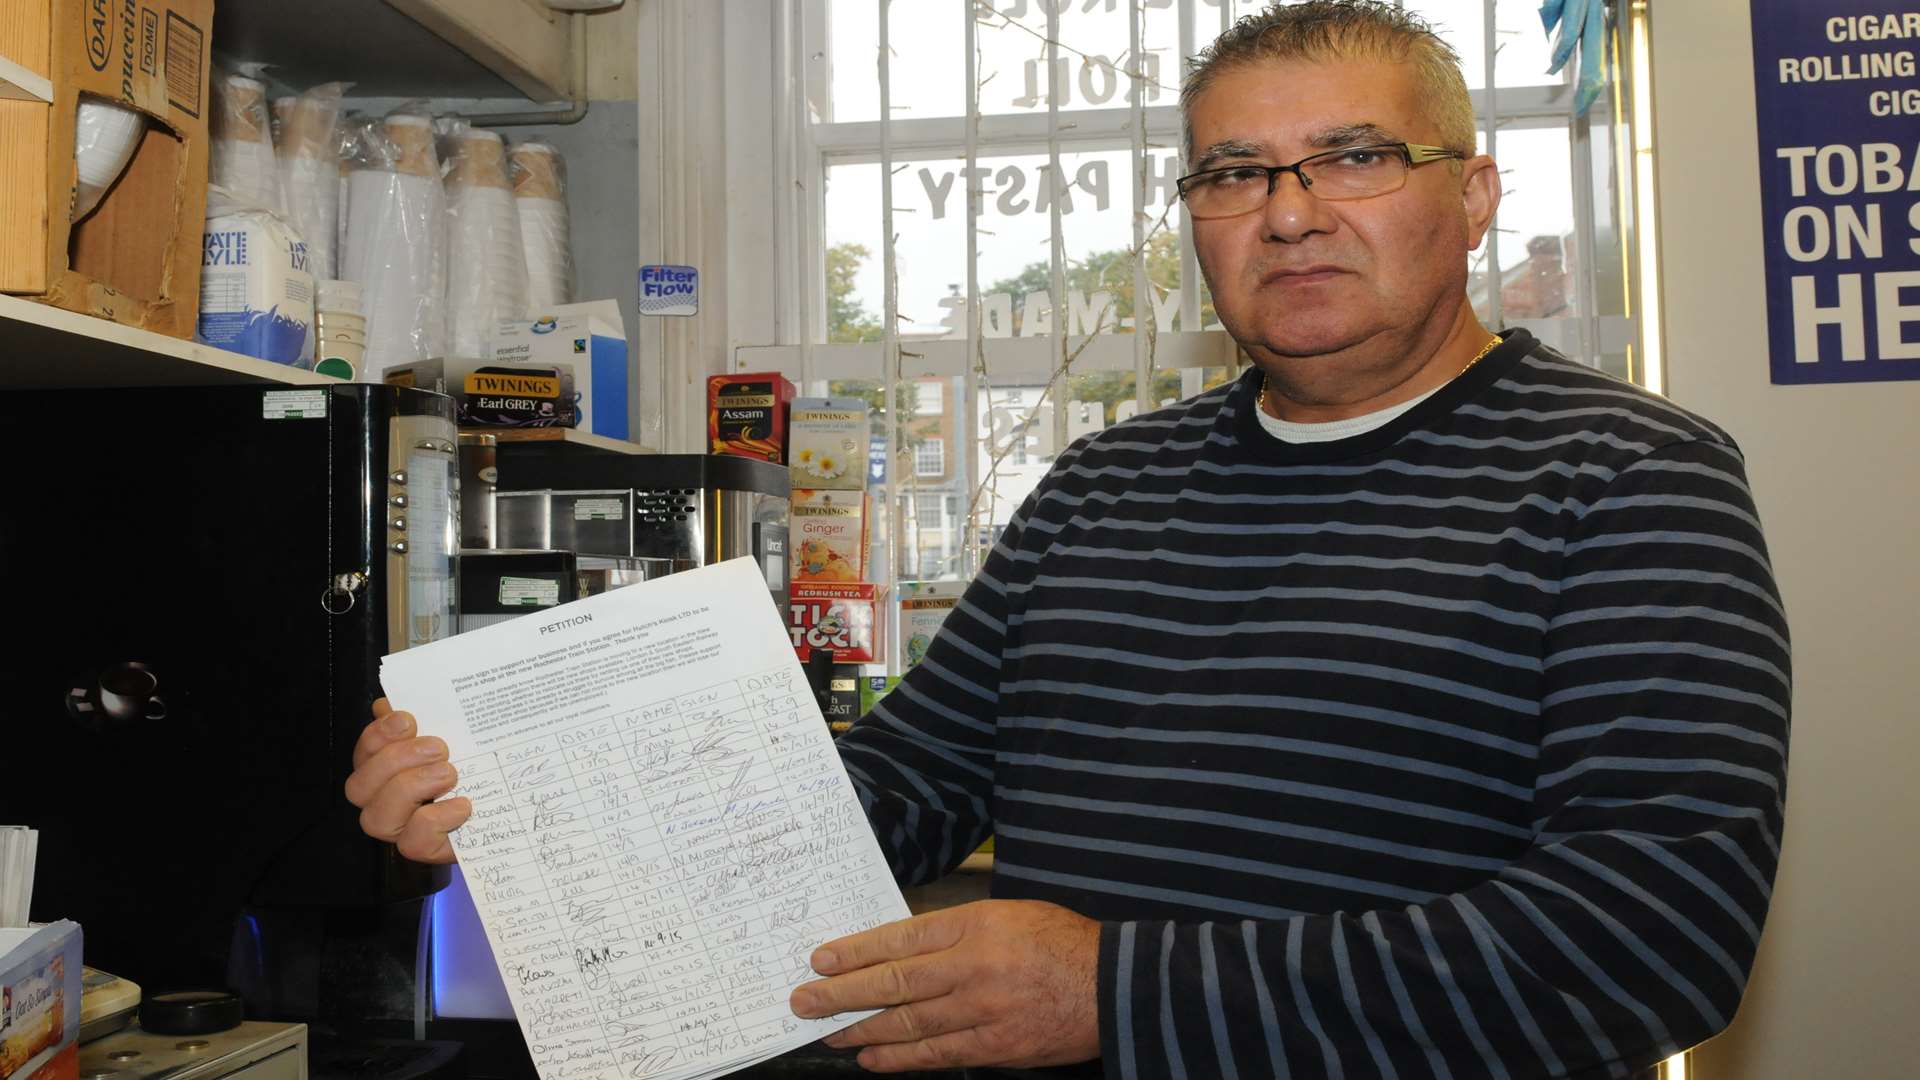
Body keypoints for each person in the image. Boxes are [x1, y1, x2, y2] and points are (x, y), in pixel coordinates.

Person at [346, 3, 1790, 1076]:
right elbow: (896, 790)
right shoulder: (1108, 485)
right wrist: (525, 805)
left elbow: (1650, 934)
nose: (1289, 214)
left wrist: (1120, 994)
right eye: (1233, 174)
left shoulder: (1629, 478)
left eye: (1352, 158)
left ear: (1471, 194)